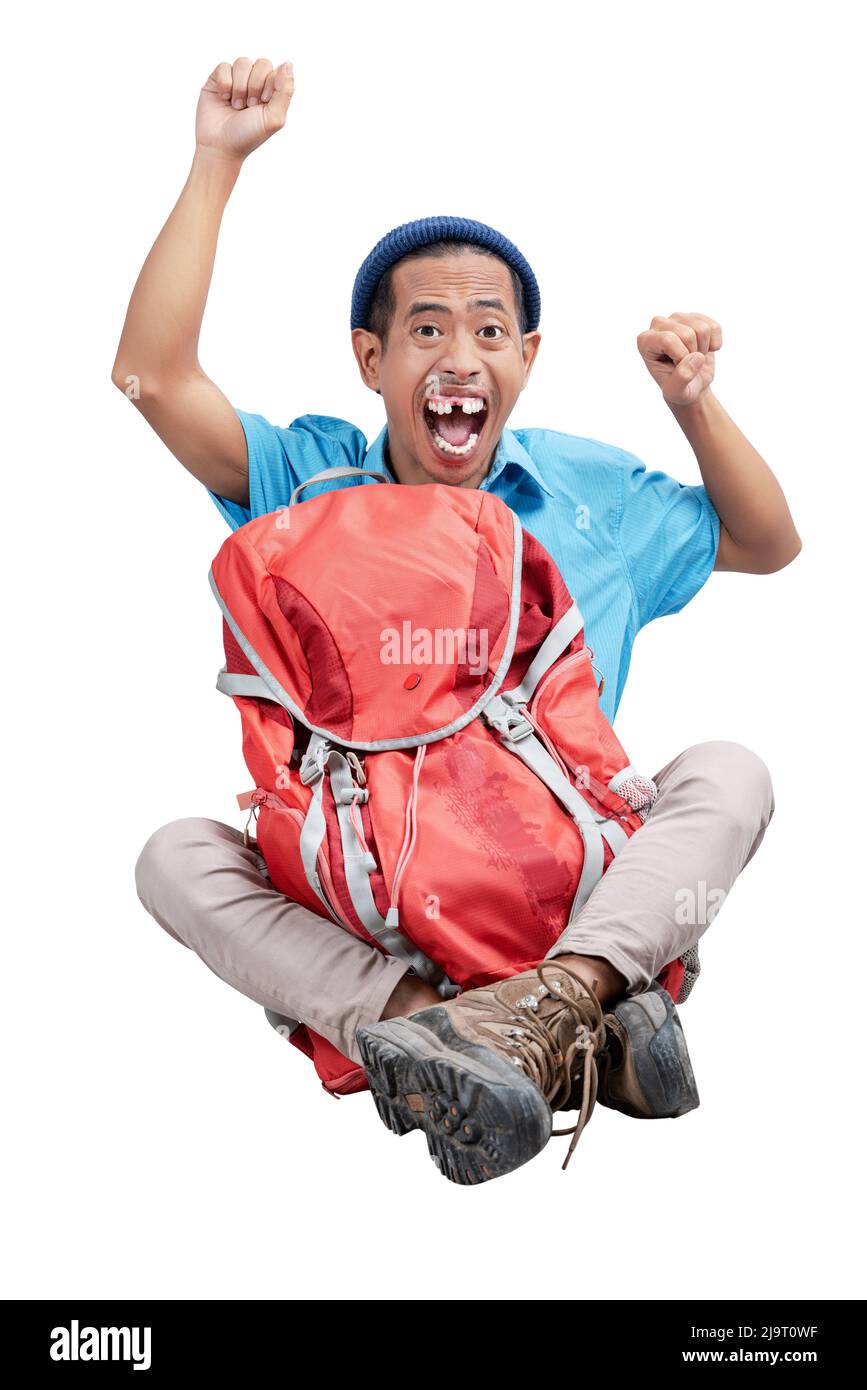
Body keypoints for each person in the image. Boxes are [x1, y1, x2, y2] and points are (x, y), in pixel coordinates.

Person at [113, 56, 797, 1185]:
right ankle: (448, 1024)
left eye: (490, 329)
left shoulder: (586, 495)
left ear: (528, 359)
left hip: (566, 889)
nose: (460, 355)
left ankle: (553, 1002)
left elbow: (768, 541)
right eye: (426, 330)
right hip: (374, 899)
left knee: (733, 771)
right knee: (174, 857)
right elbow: (149, 375)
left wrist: (693, 403)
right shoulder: (311, 477)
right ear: (371, 362)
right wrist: (215, 164)